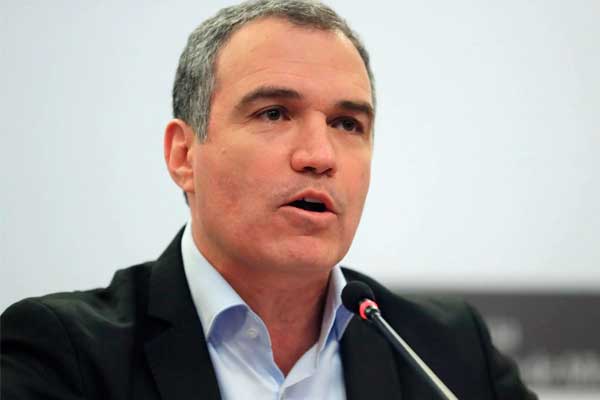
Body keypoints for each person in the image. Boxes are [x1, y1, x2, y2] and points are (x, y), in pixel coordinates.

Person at [1, 1, 537, 399]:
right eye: (274, 113)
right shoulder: (64, 354)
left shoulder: (447, 351)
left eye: (347, 123)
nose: (319, 155)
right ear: (184, 155)